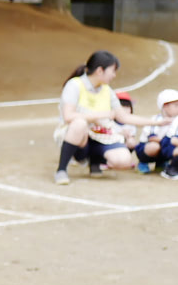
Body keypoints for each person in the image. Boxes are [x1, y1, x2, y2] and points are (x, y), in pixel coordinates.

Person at [53, 51, 166, 185]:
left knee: (123, 160)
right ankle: (61, 170)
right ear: (100, 71)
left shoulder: (107, 90)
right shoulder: (74, 85)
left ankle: (94, 162)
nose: (114, 75)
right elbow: (68, 116)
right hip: (78, 138)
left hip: (100, 135)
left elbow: (124, 117)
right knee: (79, 123)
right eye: (113, 71)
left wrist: (158, 122)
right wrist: (102, 114)